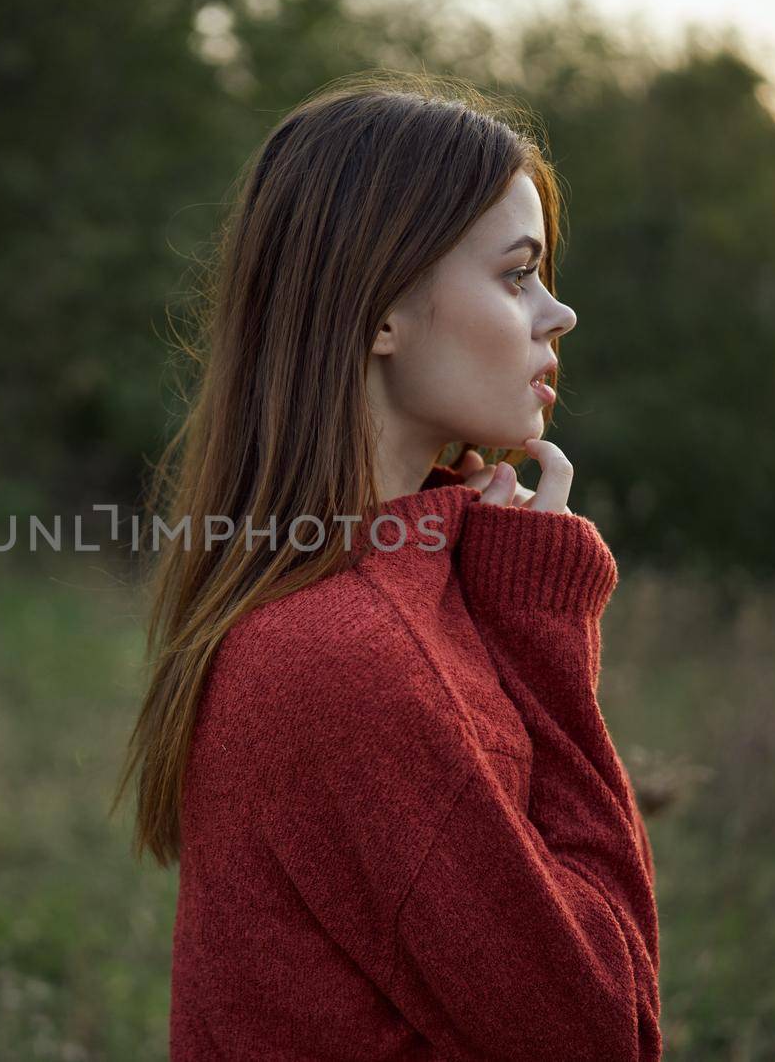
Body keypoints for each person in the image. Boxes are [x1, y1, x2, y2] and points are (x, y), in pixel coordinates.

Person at [110, 70, 661, 1061]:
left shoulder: (391, 596)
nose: (556, 313)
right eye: (513, 274)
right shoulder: (343, 661)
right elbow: (602, 1030)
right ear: (377, 314)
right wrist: (545, 636)